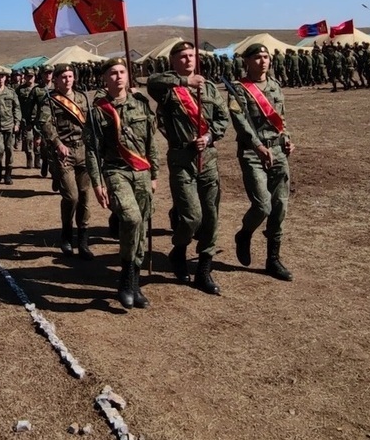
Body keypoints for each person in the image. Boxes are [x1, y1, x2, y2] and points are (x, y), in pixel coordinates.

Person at [147, 41, 231, 295]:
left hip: (208, 158)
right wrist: (185, 83)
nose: (188, 60)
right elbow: (152, 81)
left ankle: (204, 268)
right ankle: (179, 250)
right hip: (181, 159)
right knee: (191, 216)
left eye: (192, 56)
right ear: (173, 61)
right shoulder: (168, 88)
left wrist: (210, 137)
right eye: (182, 57)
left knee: (211, 215)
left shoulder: (208, 87)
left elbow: (222, 118)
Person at [85, 58, 161, 309]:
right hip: (116, 171)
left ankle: (132, 281)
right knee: (131, 219)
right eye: (112, 73)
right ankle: (126, 278)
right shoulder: (98, 110)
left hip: (141, 171)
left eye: (121, 72)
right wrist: (98, 183)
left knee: (141, 225)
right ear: (105, 79)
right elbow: (93, 150)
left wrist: (154, 174)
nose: (118, 77)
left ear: (128, 76)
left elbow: (152, 142)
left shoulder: (140, 103)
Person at [228, 44, 295, 281]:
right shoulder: (238, 89)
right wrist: (258, 147)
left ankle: (273, 260)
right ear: (247, 61)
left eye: (266, 57)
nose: (263, 61)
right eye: (257, 57)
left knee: (280, 207)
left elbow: (282, 119)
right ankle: (244, 234)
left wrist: (287, 139)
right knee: (262, 205)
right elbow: (241, 124)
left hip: (277, 151)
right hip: (252, 152)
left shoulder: (275, 86)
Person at [37, 63, 94, 259]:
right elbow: (45, 124)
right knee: (72, 196)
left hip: (84, 151)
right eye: (63, 77)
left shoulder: (83, 98)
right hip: (64, 153)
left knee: (85, 196)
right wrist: (57, 143)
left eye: (70, 76)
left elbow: (92, 123)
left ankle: (83, 240)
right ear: (56, 80)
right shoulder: (50, 101)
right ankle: (66, 235)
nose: (67, 80)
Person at [0, 69, 21, 184]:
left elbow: (16, 108)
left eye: (2, 76)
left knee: (9, 150)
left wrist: (17, 123)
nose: (1, 79)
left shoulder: (11, 92)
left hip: (9, 125)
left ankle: (8, 174)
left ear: (5, 78)